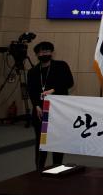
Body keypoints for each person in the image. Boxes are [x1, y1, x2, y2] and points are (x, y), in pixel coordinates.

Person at [27, 41, 74, 171]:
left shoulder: (61, 66)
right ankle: (39, 168)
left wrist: (53, 90)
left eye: (47, 51)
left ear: (52, 52)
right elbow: (31, 90)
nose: (44, 54)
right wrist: (36, 105)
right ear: (37, 54)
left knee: (58, 140)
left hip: (58, 110)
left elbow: (69, 82)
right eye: (41, 52)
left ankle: (57, 167)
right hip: (40, 111)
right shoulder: (33, 71)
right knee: (41, 141)